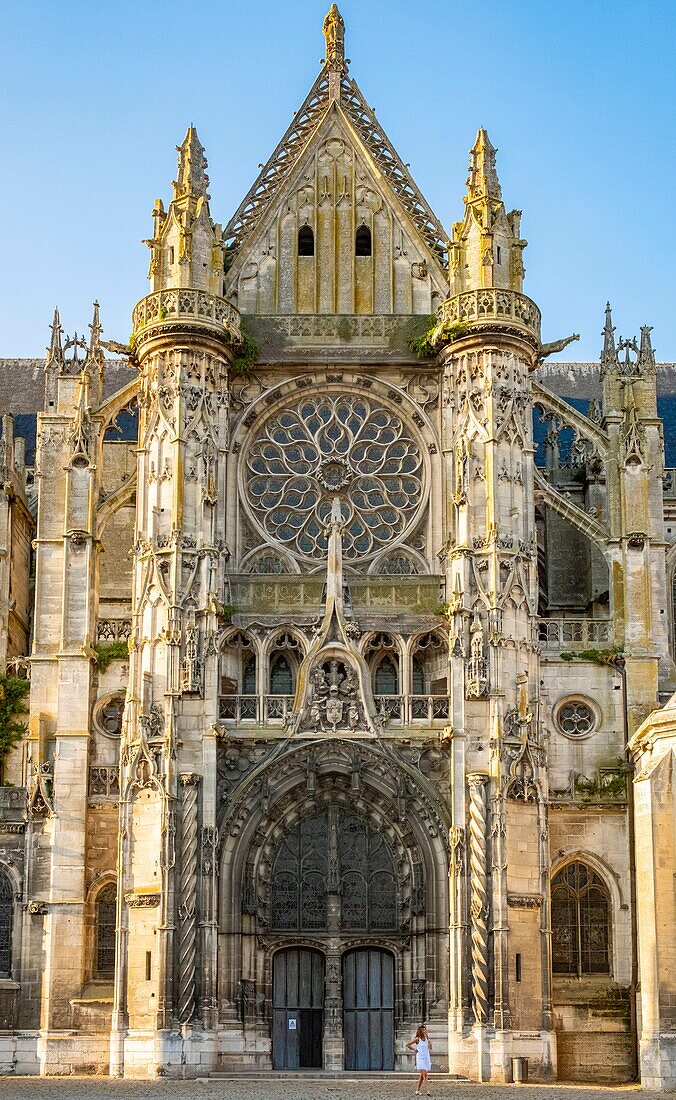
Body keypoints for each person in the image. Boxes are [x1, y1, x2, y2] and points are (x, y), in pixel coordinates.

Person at [406, 1025, 432, 1095]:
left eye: (425, 1030)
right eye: (423, 1030)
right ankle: (428, 1090)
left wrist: (428, 1039)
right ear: (420, 1031)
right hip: (420, 1058)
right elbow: (408, 1044)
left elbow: (430, 1048)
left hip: (426, 1057)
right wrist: (414, 1049)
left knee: (422, 1076)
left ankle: (417, 1090)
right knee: (425, 1074)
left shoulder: (426, 1039)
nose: (425, 1031)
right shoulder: (417, 1039)